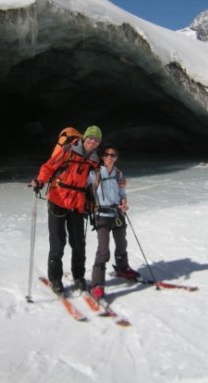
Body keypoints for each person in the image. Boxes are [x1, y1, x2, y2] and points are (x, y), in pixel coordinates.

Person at [30, 125, 102, 294]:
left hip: (77, 204)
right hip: (58, 200)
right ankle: (55, 279)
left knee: (78, 244)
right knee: (57, 243)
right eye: (91, 138)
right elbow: (48, 167)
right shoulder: (68, 150)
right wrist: (40, 181)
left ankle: (78, 277)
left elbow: (97, 180)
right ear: (85, 138)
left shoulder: (94, 159)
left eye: (97, 140)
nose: (93, 142)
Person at [88, 144, 138, 300]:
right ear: (102, 157)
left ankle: (122, 268)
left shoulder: (118, 173)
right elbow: (82, 187)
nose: (110, 157)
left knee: (122, 243)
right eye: (107, 155)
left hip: (117, 213)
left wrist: (124, 203)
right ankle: (97, 284)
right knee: (103, 250)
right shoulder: (93, 174)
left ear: (116, 157)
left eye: (113, 155)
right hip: (102, 214)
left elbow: (122, 192)